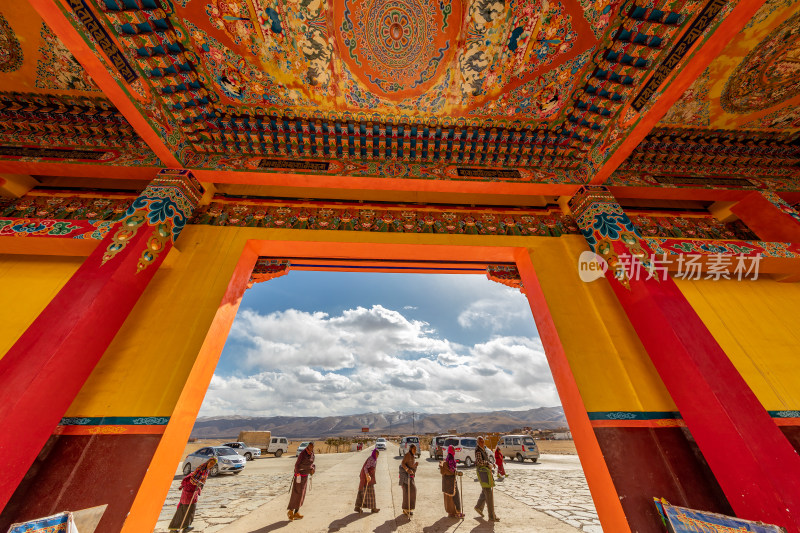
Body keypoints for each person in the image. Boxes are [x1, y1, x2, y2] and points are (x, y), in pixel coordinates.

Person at [169, 457, 217, 532]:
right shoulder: (201, 468)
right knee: (184, 508)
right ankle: (174, 529)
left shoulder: (207, 470)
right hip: (189, 490)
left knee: (191, 508)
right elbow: (192, 479)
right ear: (208, 461)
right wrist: (198, 483)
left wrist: (201, 485)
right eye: (211, 463)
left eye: (213, 464)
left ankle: (185, 527)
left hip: (194, 491)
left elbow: (203, 480)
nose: (211, 465)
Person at [474, 436, 500, 522]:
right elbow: (479, 462)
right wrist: (488, 463)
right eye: (480, 441)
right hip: (483, 473)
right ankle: (492, 516)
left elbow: (486, 460)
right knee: (488, 494)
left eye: (483, 441)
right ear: (478, 442)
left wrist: (491, 463)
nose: (482, 443)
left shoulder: (483, 449)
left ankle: (478, 507)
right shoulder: (478, 450)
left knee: (485, 491)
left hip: (485, 473)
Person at [287, 442, 315, 520]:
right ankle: (290, 511)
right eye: (310, 447)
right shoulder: (302, 454)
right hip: (299, 477)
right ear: (308, 446)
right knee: (296, 494)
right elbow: (297, 464)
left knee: (301, 495)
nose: (311, 448)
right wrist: (297, 473)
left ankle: (296, 513)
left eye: (312, 447)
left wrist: (312, 469)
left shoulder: (312, 454)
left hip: (305, 477)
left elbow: (312, 464)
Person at [440, 445, 464, 518]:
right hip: (451, 480)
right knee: (456, 495)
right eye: (453, 449)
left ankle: (451, 512)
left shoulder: (448, 457)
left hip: (447, 480)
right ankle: (458, 512)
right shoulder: (450, 458)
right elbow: (451, 468)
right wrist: (456, 472)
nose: (454, 451)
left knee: (450, 497)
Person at [355, 448, 380, 513]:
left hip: (370, 477)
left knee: (369, 492)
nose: (377, 456)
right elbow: (365, 467)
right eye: (376, 454)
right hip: (366, 477)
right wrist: (367, 475)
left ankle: (372, 508)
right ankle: (358, 507)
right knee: (363, 491)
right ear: (374, 453)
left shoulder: (374, 459)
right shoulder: (371, 459)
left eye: (378, 454)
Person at [400, 444, 419, 516]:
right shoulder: (407, 455)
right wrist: (407, 469)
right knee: (407, 492)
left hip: (410, 476)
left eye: (415, 449)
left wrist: (415, 465)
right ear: (410, 449)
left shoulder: (412, 456)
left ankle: (409, 509)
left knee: (412, 491)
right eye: (414, 449)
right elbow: (403, 463)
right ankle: (405, 509)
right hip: (405, 476)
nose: (415, 451)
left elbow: (411, 465)